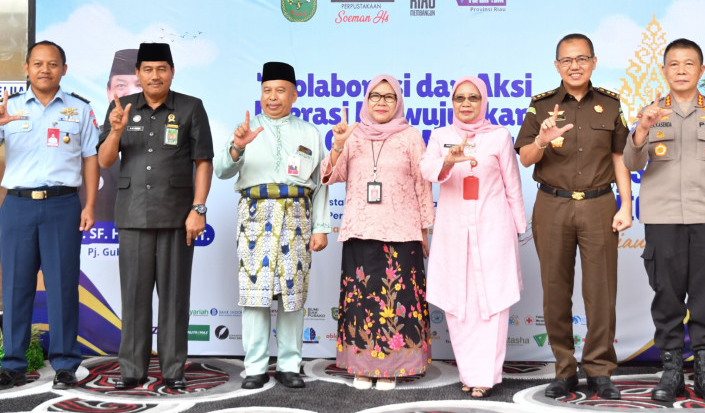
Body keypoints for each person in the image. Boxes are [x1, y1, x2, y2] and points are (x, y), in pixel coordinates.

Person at [622, 38, 705, 405]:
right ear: (663, 71)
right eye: (673, 64)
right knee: (667, 297)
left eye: (688, 64)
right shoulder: (649, 113)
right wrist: (642, 131)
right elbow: (632, 164)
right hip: (662, 221)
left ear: (700, 70)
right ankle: (672, 372)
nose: (680, 70)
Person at [0, 41, 99, 390]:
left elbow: (90, 159)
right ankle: (12, 365)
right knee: (16, 287)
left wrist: (89, 206)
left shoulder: (80, 110)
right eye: (37, 63)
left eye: (52, 64)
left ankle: (66, 364)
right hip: (19, 206)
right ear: (26, 68)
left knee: (62, 287)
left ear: (64, 69)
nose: (45, 69)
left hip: (62, 205)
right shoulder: (6, 108)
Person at [514, 33, 632, 400]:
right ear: (557, 66)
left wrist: (626, 205)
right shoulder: (541, 106)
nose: (575, 66)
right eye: (567, 60)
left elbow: (620, 158)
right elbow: (526, 158)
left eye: (582, 58)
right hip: (552, 205)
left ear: (594, 62)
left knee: (601, 292)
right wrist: (543, 140)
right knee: (555, 290)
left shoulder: (611, 106)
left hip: (599, 204)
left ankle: (599, 370)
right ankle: (564, 370)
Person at [97, 42, 213, 390]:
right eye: (147, 69)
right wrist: (116, 130)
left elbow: (203, 162)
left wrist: (198, 208)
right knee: (133, 297)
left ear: (172, 72)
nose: (154, 75)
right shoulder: (121, 109)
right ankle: (132, 370)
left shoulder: (191, 108)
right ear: (138, 74)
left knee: (175, 298)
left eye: (162, 68)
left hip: (179, 218)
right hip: (132, 216)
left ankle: (174, 371)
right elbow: (104, 161)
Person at [213, 61, 329, 390]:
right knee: (255, 296)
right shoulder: (245, 129)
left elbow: (321, 184)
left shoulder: (309, 132)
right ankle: (255, 367)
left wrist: (321, 226)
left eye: (280, 91)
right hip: (255, 217)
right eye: (266, 91)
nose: (272, 97)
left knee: (292, 297)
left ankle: (290, 365)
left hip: (297, 216)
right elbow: (221, 170)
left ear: (294, 95)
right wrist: (238, 145)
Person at [322, 74, 433, 391]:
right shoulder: (352, 135)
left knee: (397, 302)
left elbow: (422, 185)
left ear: (398, 102)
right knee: (362, 303)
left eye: (389, 97)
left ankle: (394, 368)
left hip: (402, 231)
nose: (381, 102)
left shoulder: (411, 136)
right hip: (360, 230)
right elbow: (330, 175)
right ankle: (361, 367)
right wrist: (337, 146)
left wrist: (425, 229)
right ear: (366, 101)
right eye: (375, 96)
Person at [421, 76, 525, 399]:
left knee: (491, 303)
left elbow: (512, 183)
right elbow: (426, 171)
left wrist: (520, 227)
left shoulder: (499, 136)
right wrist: (447, 161)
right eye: (459, 98)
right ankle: (469, 373)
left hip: (493, 229)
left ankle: (486, 376)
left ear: (484, 102)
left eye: (473, 98)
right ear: (452, 103)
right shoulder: (441, 136)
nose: (466, 104)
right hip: (454, 232)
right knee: (458, 303)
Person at [80, 49, 141, 223]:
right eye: (121, 85)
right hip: (96, 240)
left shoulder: (170, 137)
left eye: (139, 85)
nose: (131, 93)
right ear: (108, 92)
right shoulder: (87, 140)